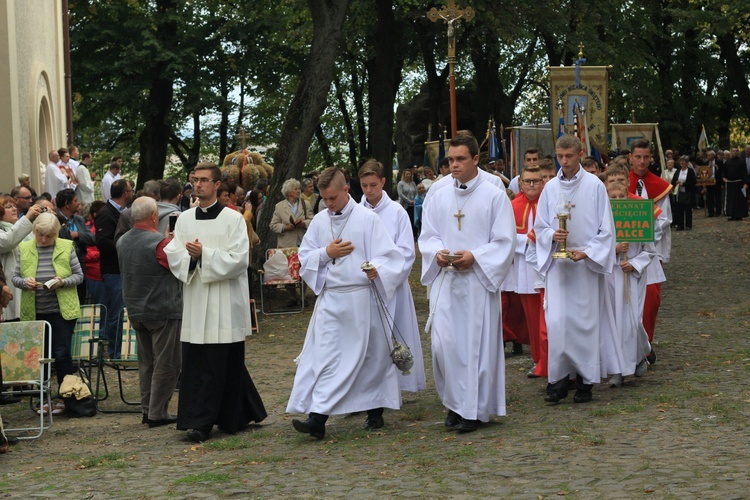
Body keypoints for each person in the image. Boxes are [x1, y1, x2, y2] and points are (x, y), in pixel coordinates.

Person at [287, 167, 404, 439]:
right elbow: (304, 257)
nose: (328, 204)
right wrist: (327, 253)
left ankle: (374, 412)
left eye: (332, 198)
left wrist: (377, 269)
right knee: (327, 357)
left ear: (345, 190)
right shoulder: (318, 221)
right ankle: (317, 417)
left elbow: (390, 255)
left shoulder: (367, 219)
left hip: (362, 297)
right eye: (323, 199)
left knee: (370, 357)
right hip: (331, 299)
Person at [418, 132, 515, 432]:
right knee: (443, 347)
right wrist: (436, 253)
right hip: (446, 282)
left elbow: (504, 241)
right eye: (450, 160)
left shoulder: (494, 194)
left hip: (477, 284)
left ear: (475, 159)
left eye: (461, 159)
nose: (454, 165)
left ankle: (472, 411)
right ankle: (453, 403)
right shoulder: (439, 193)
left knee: (474, 349)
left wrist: (475, 256)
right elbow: (428, 234)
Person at [165, 162, 266, 443]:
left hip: (224, 300)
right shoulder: (184, 219)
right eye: (194, 180)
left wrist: (204, 254)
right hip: (197, 299)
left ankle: (232, 416)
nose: (198, 185)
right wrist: (192, 258)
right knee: (198, 363)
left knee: (226, 362)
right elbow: (173, 253)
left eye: (204, 180)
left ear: (217, 184)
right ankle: (199, 422)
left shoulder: (233, 220)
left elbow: (239, 260)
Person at [534, 134, 616, 404]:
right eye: (560, 156)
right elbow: (540, 226)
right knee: (557, 323)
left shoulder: (594, 186)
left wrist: (588, 252)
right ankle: (558, 380)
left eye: (569, 156)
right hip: (559, 268)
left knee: (584, 324)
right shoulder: (549, 189)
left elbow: (607, 229)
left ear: (580, 154)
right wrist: (550, 237)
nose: (564, 161)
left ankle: (584, 381)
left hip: (584, 268)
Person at [359, 159, 426, 393]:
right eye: (364, 185)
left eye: (373, 185)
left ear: (383, 182)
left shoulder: (397, 212)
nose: (368, 191)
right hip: (362, 287)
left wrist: (382, 271)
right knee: (367, 342)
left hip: (391, 285)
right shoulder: (355, 212)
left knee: (394, 337)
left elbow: (407, 252)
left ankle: (396, 385)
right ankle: (367, 389)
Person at [117, 197, 182, 428]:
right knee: (167, 362)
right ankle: (157, 412)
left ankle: (147, 409)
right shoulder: (159, 243)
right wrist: (173, 243)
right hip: (162, 309)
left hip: (135, 309)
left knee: (146, 363)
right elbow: (178, 267)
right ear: (154, 216)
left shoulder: (122, 241)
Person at [13, 212, 83, 415]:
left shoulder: (65, 247)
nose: (43, 240)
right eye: (39, 235)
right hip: (35, 311)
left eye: (48, 236)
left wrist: (62, 282)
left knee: (61, 354)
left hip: (61, 311)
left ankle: (65, 396)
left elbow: (79, 276)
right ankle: (44, 398)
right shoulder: (24, 248)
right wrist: (25, 283)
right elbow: (15, 277)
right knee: (40, 357)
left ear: (55, 234)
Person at [603, 181, 654, 388]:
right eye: (612, 198)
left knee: (632, 321)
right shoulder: (603, 222)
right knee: (615, 323)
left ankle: (641, 352)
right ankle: (619, 370)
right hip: (611, 276)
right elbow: (596, 249)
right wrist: (614, 250)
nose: (616, 201)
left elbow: (650, 251)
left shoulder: (639, 215)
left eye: (620, 197)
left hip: (632, 277)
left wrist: (633, 263)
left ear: (628, 197)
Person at [628, 139, 672, 362]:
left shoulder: (660, 186)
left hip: (649, 249)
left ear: (651, 158)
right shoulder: (620, 183)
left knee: (651, 300)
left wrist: (645, 225)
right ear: (630, 158)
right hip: (625, 250)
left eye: (646, 157)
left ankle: (646, 344)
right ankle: (631, 348)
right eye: (638, 157)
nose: (642, 161)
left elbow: (665, 219)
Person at [509, 165, 546, 377]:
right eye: (528, 181)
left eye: (536, 180)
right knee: (532, 320)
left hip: (547, 268)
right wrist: (531, 241)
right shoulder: (513, 206)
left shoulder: (548, 203)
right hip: (525, 269)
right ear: (520, 183)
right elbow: (507, 239)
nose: (532, 184)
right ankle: (538, 360)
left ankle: (551, 360)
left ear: (543, 182)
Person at [95, 179, 134, 359]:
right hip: (113, 270)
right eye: (131, 190)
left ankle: (124, 350)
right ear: (125, 193)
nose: (132, 193)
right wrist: (125, 245)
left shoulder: (123, 212)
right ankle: (115, 351)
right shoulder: (106, 213)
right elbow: (102, 242)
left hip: (123, 269)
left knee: (123, 310)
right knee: (116, 313)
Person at [55, 188, 95, 303]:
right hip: (62, 268)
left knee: (80, 299)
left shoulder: (79, 220)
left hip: (80, 265)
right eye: (75, 201)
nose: (78, 204)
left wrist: (77, 234)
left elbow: (92, 238)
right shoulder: (55, 219)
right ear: (67, 204)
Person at [270, 178, 314, 248]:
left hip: (303, 243)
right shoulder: (279, 206)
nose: (298, 191)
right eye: (295, 189)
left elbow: (313, 221)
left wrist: (304, 224)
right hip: (286, 245)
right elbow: (273, 225)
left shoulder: (305, 204)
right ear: (288, 192)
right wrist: (285, 227)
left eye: (299, 189)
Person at [671, 155, 697, 230]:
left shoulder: (690, 171)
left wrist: (684, 184)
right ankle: (680, 225)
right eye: (680, 161)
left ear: (687, 163)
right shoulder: (678, 171)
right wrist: (676, 182)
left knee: (688, 209)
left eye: (683, 161)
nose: (681, 163)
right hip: (679, 193)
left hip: (688, 192)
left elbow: (694, 182)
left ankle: (688, 225)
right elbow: (673, 181)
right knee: (679, 209)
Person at [723, 147, 748, 221]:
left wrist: (745, 183)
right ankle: (731, 214)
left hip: (739, 183)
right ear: (731, 152)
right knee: (731, 200)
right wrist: (724, 177)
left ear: (738, 152)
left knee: (738, 200)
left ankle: (739, 215)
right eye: (733, 151)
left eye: (736, 151)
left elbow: (744, 173)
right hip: (730, 184)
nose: (735, 152)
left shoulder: (741, 161)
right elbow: (724, 171)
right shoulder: (727, 162)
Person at [397, 169, 418, 237]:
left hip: (413, 205)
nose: (408, 175)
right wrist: (409, 201)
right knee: (407, 220)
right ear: (404, 175)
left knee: (413, 219)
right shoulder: (401, 183)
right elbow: (400, 194)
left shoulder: (413, 183)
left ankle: (414, 235)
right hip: (405, 205)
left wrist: (415, 200)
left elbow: (416, 192)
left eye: (409, 174)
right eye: (407, 174)